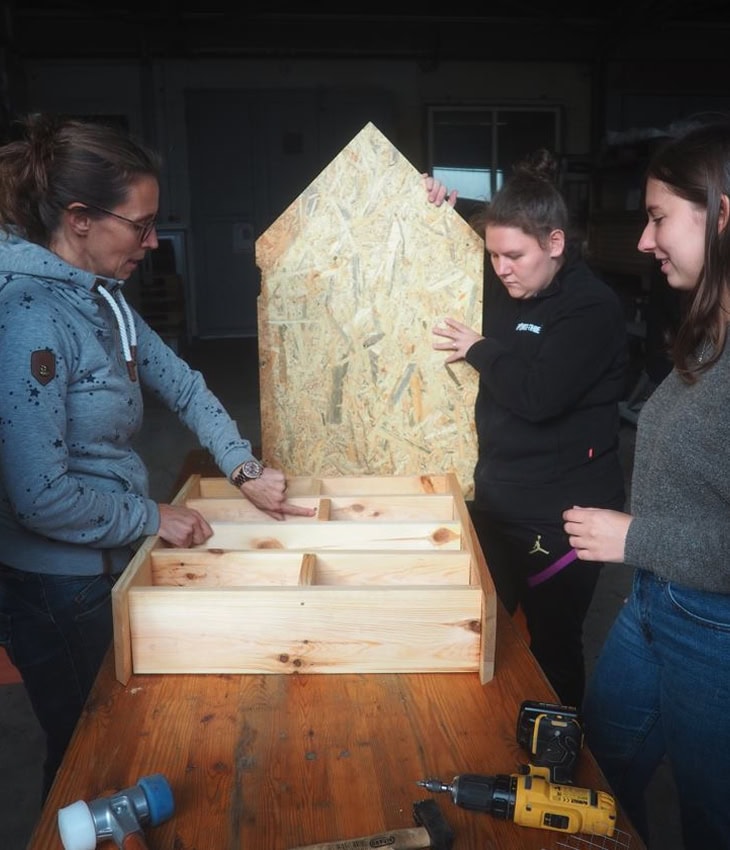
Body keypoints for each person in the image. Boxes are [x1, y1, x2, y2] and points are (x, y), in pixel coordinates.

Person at [0, 114, 314, 800]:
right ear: (80, 219)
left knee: (122, 734)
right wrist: (152, 515)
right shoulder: (28, 315)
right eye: (139, 225)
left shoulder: (101, 296)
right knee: (88, 754)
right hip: (58, 586)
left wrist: (245, 470)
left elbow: (183, 383)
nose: (152, 241)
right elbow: (38, 496)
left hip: (106, 561)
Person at [563, 120, 730, 849]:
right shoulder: (709, 330)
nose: (642, 240)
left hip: (716, 631)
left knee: (711, 815)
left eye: (659, 218)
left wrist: (632, 535)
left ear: (721, 213)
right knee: (594, 776)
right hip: (654, 603)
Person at [427, 151, 628, 707]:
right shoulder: (513, 284)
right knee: (490, 631)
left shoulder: (591, 309)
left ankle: (559, 757)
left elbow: (538, 397)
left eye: (513, 255)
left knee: (553, 645)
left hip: (563, 518)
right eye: (492, 255)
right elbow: (487, 227)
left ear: (556, 244)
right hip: (499, 504)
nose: (501, 268)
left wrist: (479, 350)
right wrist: (445, 204)